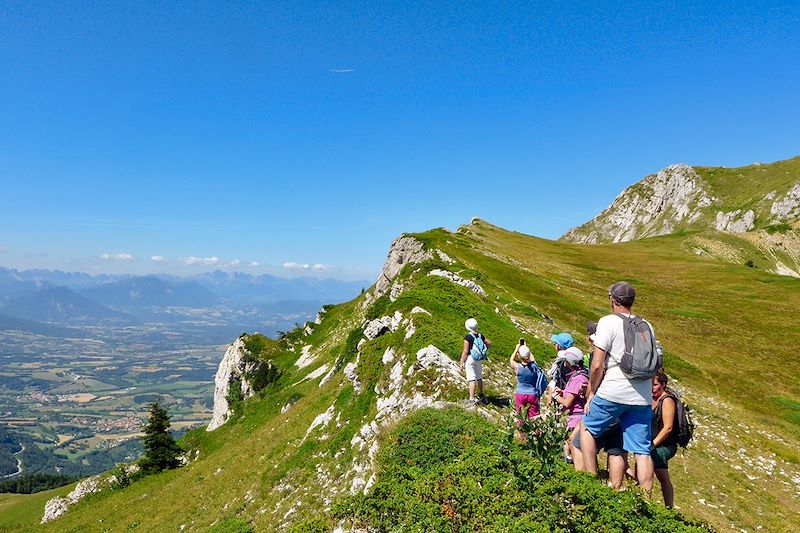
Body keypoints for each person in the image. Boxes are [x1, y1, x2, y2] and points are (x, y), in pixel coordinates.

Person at [580, 282, 655, 493]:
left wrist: (592, 392)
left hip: (613, 391)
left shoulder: (608, 322)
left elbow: (597, 365)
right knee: (642, 451)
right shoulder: (647, 325)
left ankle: (590, 483)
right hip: (642, 397)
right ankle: (646, 500)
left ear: (612, 300)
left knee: (587, 429)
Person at [552, 347, 589, 461]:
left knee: (572, 446)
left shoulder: (577, 379)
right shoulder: (582, 375)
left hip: (574, 418)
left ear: (569, 363)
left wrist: (556, 396)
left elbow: (567, 402)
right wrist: (563, 392)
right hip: (577, 417)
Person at [572, 422, 629, 489]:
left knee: (579, 446)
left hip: (602, 415)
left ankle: (586, 485)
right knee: (615, 453)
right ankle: (615, 489)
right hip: (619, 418)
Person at [651, 368, 678, 508]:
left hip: (666, 445)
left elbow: (668, 428)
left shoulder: (667, 401)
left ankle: (643, 499)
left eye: (655, 384)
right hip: (656, 444)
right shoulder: (652, 399)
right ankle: (669, 507)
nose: (652, 388)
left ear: (663, 384)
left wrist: (652, 445)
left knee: (647, 461)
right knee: (662, 475)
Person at [509, 343, 547, 419]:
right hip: (532, 394)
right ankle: (535, 430)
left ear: (519, 356)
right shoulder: (534, 366)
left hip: (520, 393)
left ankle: (521, 430)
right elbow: (533, 359)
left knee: (520, 416)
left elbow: (511, 360)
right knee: (534, 417)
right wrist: (527, 348)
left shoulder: (517, 367)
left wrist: (516, 349)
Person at [459, 318, 491, 405]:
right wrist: (484, 351)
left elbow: (465, 352)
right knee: (479, 377)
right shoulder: (480, 336)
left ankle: (471, 398)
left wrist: (462, 361)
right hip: (478, 359)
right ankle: (481, 394)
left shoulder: (468, 337)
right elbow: (489, 343)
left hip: (470, 359)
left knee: (471, 378)